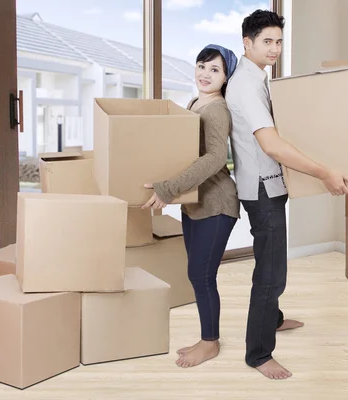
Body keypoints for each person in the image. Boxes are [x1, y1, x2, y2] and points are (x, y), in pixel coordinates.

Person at [225, 10, 348, 380]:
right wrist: (325, 172)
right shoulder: (246, 85)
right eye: (267, 41)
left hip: (270, 185)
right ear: (247, 43)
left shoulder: (259, 79)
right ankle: (259, 354)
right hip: (261, 190)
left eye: (279, 41)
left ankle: (273, 319)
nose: (275, 48)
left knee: (274, 262)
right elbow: (272, 145)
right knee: (271, 273)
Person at [142, 44, 240, 369]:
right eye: (201, 65)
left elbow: (214, 159)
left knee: (201, 273)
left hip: (217, 203)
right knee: (196, 273)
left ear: (226, 77)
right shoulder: (195, 103)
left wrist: (169, 188)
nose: (205, 73)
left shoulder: (217, 110)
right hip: (195, 204)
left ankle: (210, 343)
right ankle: (207, 338)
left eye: (215, 69)